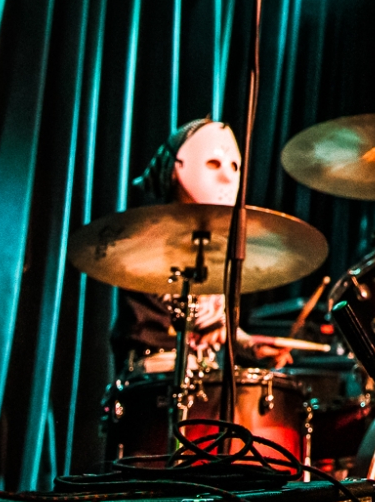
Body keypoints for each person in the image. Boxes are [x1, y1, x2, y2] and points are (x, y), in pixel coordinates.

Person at [110, 118, 287, 373]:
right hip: (154, 372)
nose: (227, 177)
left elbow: (213, 323)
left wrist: (250, 346)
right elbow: (154, 329)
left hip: (204, 371)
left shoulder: (218, 245)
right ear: (176, 168)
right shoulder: (147, 243)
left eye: (234, 166)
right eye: (213, 164)